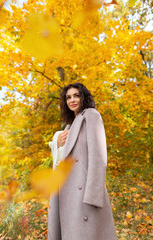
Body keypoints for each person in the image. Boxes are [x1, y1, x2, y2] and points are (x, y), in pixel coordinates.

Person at [48, 83, 117, 240]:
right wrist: (57, 145)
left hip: (84, 190)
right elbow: (61, 163)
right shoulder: (68, 127)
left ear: (83, 97)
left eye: (76, 95)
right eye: (68, 97)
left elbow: (98, 156)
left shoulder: (91, 115)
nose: (72, 100)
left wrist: (93, 195)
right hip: (65, 191)